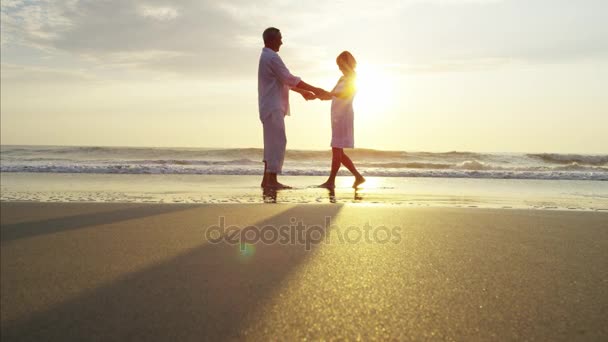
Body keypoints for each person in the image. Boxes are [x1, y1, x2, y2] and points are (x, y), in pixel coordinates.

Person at [258, 27, 328, 189]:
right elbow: (289, 78)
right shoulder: (272, 57)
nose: (282, 42)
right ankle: (272, 181)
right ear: (271, 40)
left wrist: (303, 92)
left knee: (271, 143)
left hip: (269, 106)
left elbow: (283, 80)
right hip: (273, 106)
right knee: (277, 142)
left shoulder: (266, 56)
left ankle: (266, 180)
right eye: (279, 38)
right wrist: (316, 89)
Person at [315, 51, 365, 189]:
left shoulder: (353, 77)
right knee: (339, 152)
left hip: (344, 116)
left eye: (341, 64)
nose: (339, 67)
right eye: (338, 64)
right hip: (336, 116)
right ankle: (358, 177)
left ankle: (331, 181)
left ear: (347, 63)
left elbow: (345, 94)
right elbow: (332, 95)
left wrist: (329, 94)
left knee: (336, 149)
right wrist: (318, 95)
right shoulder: (342, 78)